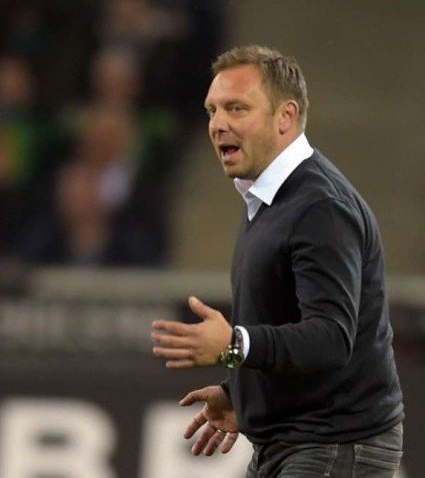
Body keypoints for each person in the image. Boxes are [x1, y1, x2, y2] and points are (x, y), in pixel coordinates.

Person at [151, 45, 404, 477]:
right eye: (212, 110)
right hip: (297, 440)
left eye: (237, 108)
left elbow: (330, 337)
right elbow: (285, 318)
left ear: (286, 116)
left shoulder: (320, 207)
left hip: (336, 444)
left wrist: (234, 345)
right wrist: (242, 393)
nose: (218, 124)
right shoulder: (269, 199)